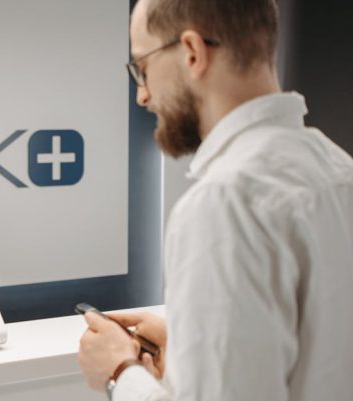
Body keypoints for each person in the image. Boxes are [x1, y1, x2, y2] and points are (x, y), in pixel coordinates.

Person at [78, 0, 353, 400]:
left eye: (143, 66)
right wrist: (194, 351)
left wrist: (120, 371)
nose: (142, 95)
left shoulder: (224, 204)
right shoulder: (340, 170)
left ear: (192, 52)